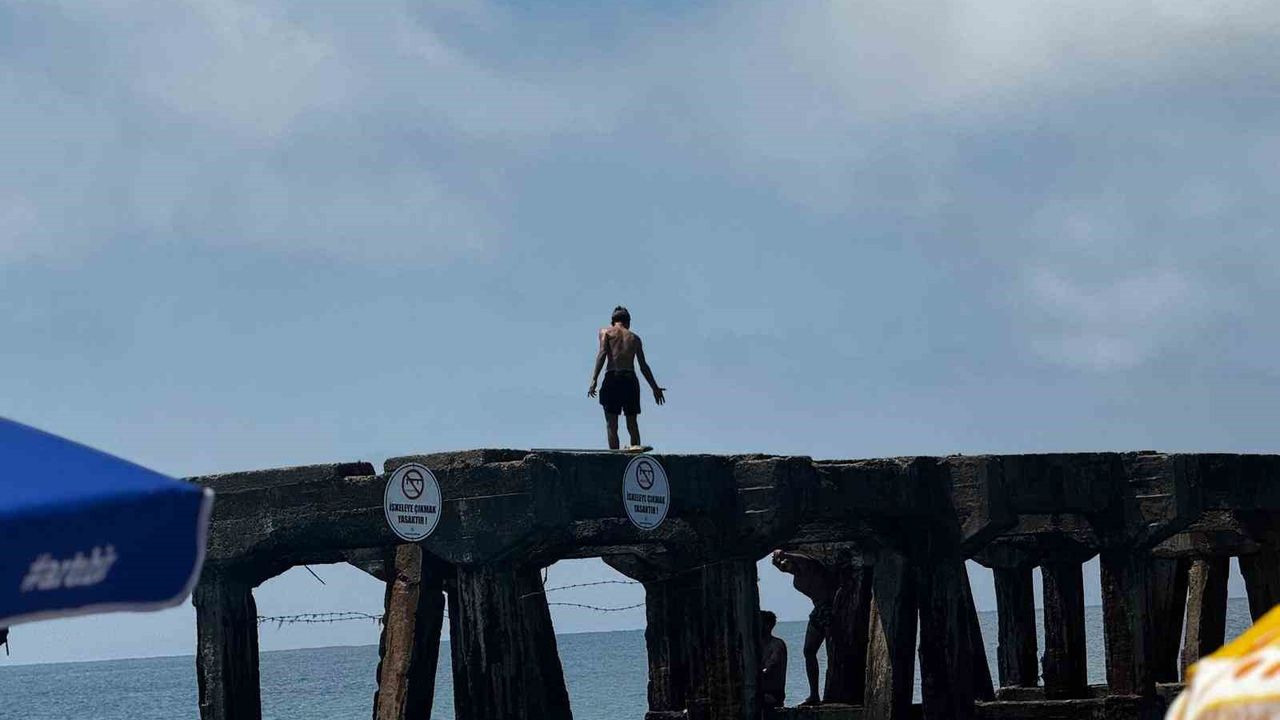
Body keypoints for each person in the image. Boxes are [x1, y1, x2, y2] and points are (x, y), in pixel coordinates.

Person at [588, 306, 666, 449]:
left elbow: (602, 353)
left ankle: (614, 457)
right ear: (628, 322)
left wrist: (594, 379)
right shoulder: (635, 338)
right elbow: (643, 366)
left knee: (612, 424)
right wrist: (655, 388)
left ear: (612, 321)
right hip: (630, 380)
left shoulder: (606, 332)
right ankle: (635, 453)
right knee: (632, 423)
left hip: (613, 377)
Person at [772, 549, 835, 706]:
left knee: (834, 651)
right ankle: (814, 694)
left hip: (832, 606)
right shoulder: (797, 583)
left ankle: (834, 691)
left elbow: (807, 560)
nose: (786, 567)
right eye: (783, 566)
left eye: (787, 564)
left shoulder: (808, 567)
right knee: (808, 651)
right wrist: (780, 563)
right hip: (820, 609)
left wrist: (784, 554)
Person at [760, 610, 788, 710]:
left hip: (773, 694)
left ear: (767, 625)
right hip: (762, 691)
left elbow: (771, 665)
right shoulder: (757, 645)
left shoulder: (776, 644)